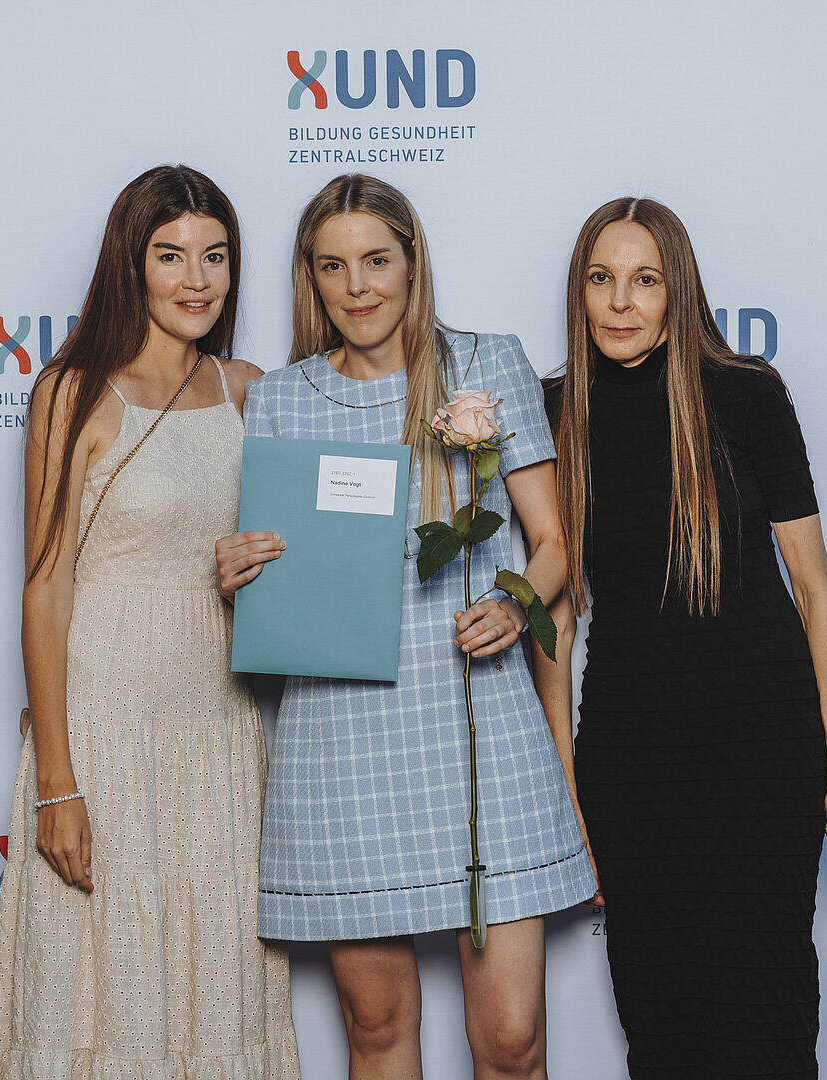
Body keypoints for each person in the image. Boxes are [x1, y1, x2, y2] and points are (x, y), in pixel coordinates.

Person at [215, 173, 595, 1080]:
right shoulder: (281, 399)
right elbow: (285, 585)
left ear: (412, 263)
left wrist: (514, 603)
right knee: (377, 1030)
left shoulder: (486, 364)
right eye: (332, 266)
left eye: (376, 260)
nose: (357, 287)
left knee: (511, 1042)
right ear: (309, 277)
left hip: (479, 732)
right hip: (339, 746)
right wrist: (239, 577)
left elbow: (553, 544)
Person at [537, 198, 827, 1079]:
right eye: (600, 279)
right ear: (578, 292)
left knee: (765, 1022)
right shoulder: (552, 412)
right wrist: (564, 792)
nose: (620, 302)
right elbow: (555, 620)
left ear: (677, 291)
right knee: (661, 1026)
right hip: (629, 764)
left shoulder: (744, 394)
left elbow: (815, 591)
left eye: (644, 280)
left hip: (761, 752)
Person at [0, 165, 299, 1080]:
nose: (197, 280)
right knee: (97, 983)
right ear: (132, 264)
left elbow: (293, 567)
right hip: (104, 732)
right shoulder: (73, 391)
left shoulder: (250, 391)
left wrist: (252, 575)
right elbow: (45, 589)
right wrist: (56, 783)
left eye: (215, 256)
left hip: (218, 731)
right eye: (170, 256)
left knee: (216, 990)